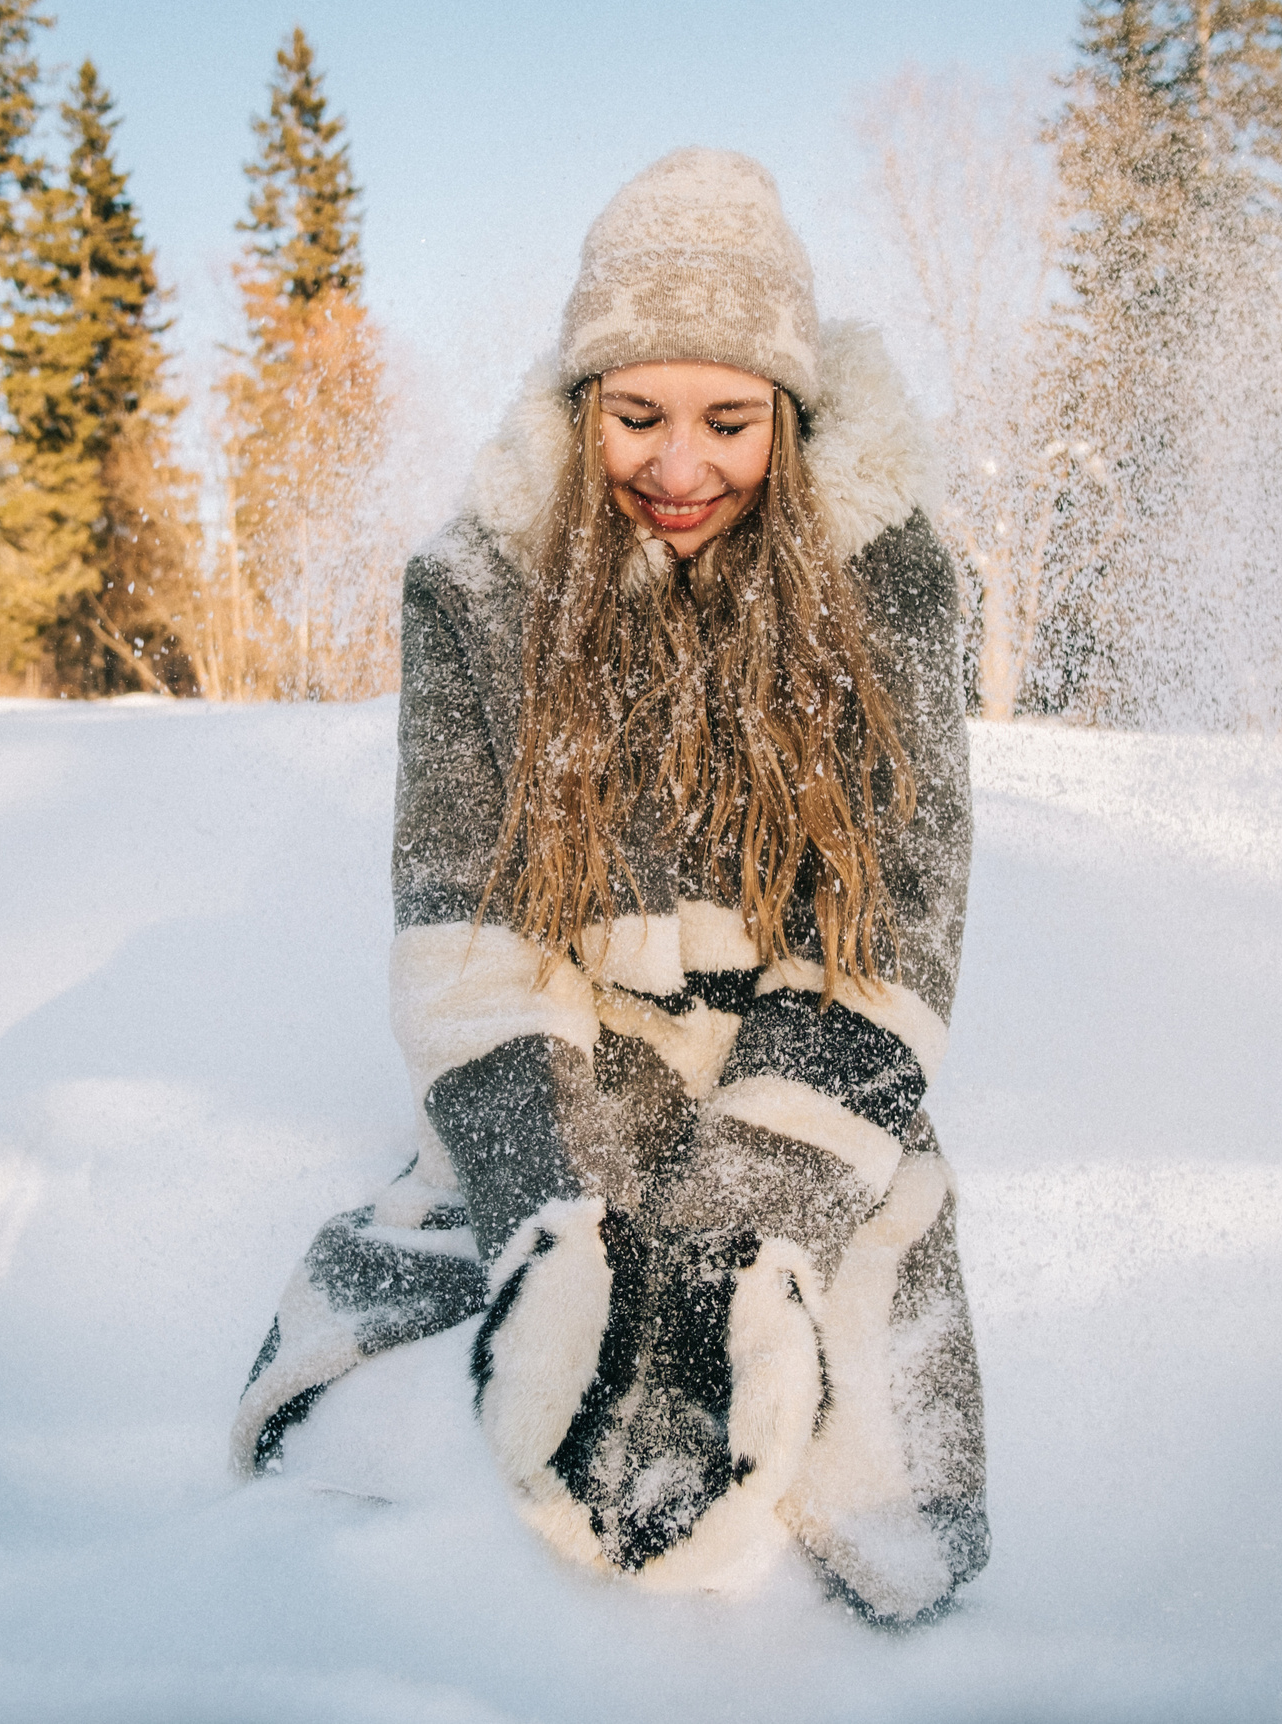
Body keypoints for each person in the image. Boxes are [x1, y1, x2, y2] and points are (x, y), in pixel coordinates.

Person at [231, 148, 986, 1626]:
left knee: (826, 1393)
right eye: (637, 416)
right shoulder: (480, 587)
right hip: (572, 1046)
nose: (681, 466)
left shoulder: (890, 576)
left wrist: (737, 1226)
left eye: (729, 421)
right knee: (472, 1367)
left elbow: (891, 933)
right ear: (583, 410)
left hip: (804, 1063)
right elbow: (464, 926)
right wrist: (554, 1215)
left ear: (795, 413)